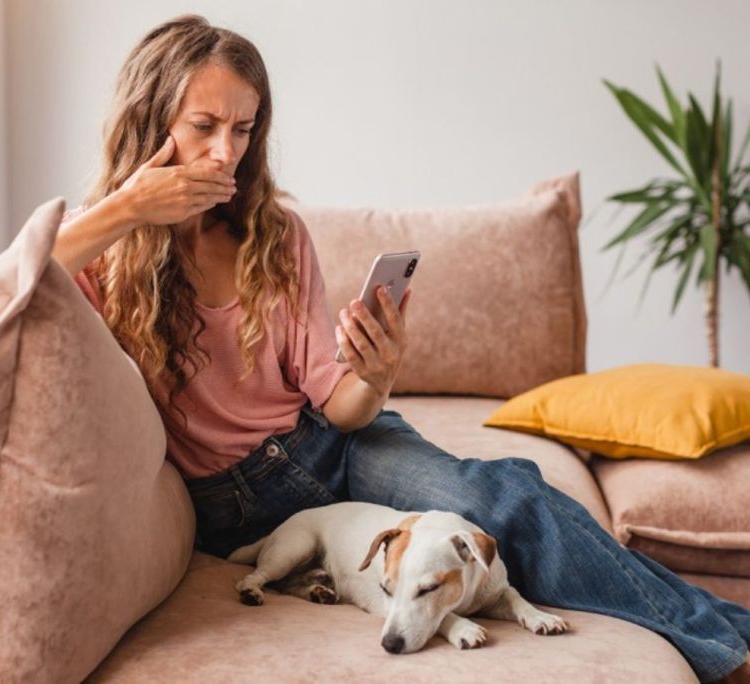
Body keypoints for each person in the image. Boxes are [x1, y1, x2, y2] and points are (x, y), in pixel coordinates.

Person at [51, 14, 750, 683]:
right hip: (235, 503)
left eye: (243, 128)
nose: (226, 152)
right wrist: (131, 207)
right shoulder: (100, 249)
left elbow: (341, 406)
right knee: (495, 496)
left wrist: (378, 375)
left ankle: (728, 640)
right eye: (204, 126)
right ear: (150, 124)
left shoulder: (274, 234)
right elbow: (3, 291)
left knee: (503, 498)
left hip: (333, 441)